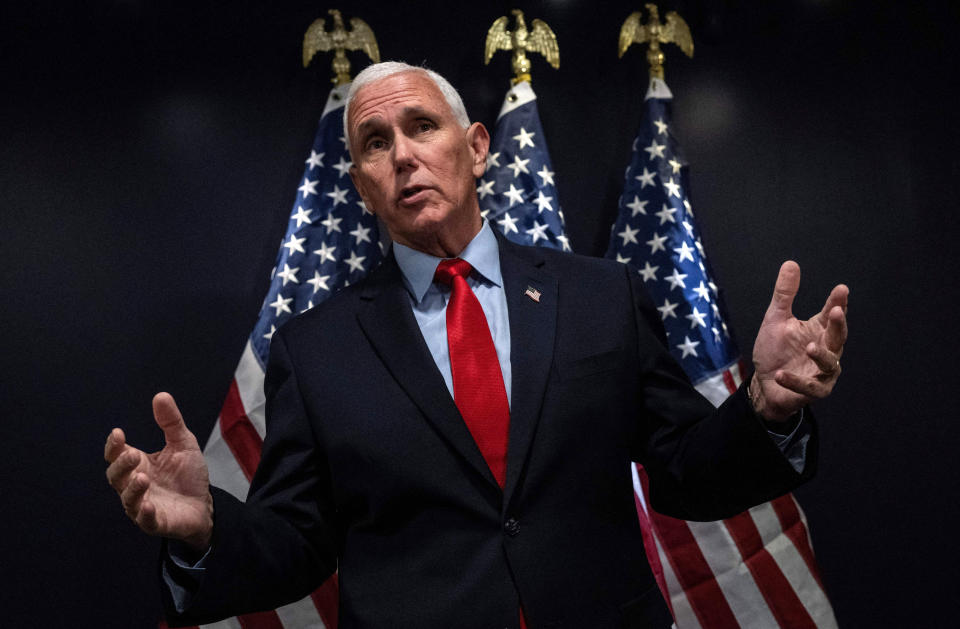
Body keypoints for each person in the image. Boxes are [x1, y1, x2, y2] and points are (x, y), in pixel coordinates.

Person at [104, 62, 848, 628]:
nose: (402, 155)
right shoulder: (316, 347)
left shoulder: (600, 296)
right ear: (362, 186)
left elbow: (687, 469)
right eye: (374, 143)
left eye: (421, 127)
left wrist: (764, 408)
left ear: (477, 147)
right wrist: (208, 529)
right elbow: (298, 541)